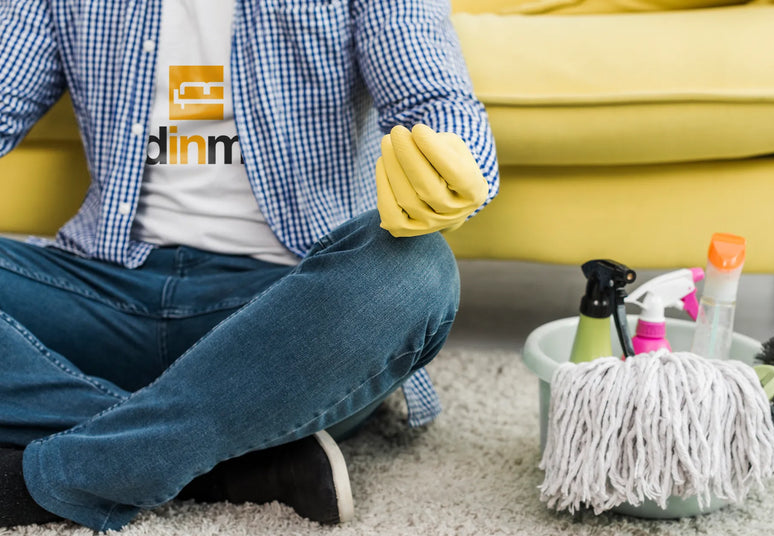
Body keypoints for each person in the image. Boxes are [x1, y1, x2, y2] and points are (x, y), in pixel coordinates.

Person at [0, 0, 498, 530]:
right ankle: (233, 457)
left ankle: (41, 475)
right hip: (101, 290)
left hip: (285, 316)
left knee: (415, 270)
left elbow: (435, 99)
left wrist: (454, 160)